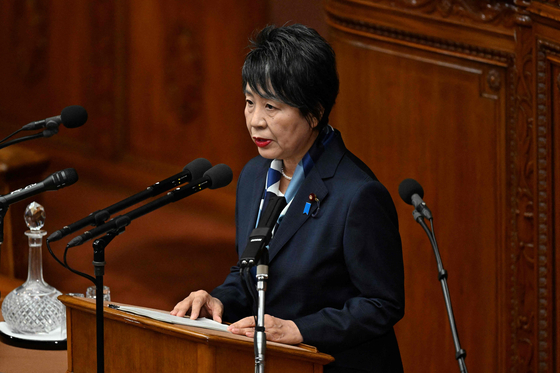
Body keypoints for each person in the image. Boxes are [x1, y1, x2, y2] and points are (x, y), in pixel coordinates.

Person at [171, 24, 405, 372]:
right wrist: (217, 300)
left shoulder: (358, 195)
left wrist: (300, 330)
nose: (255, 121)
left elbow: (382, 304)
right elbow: (250, 270)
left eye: (272, 107)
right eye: (250, 102)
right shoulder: (254, 175)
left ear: (314, 113)